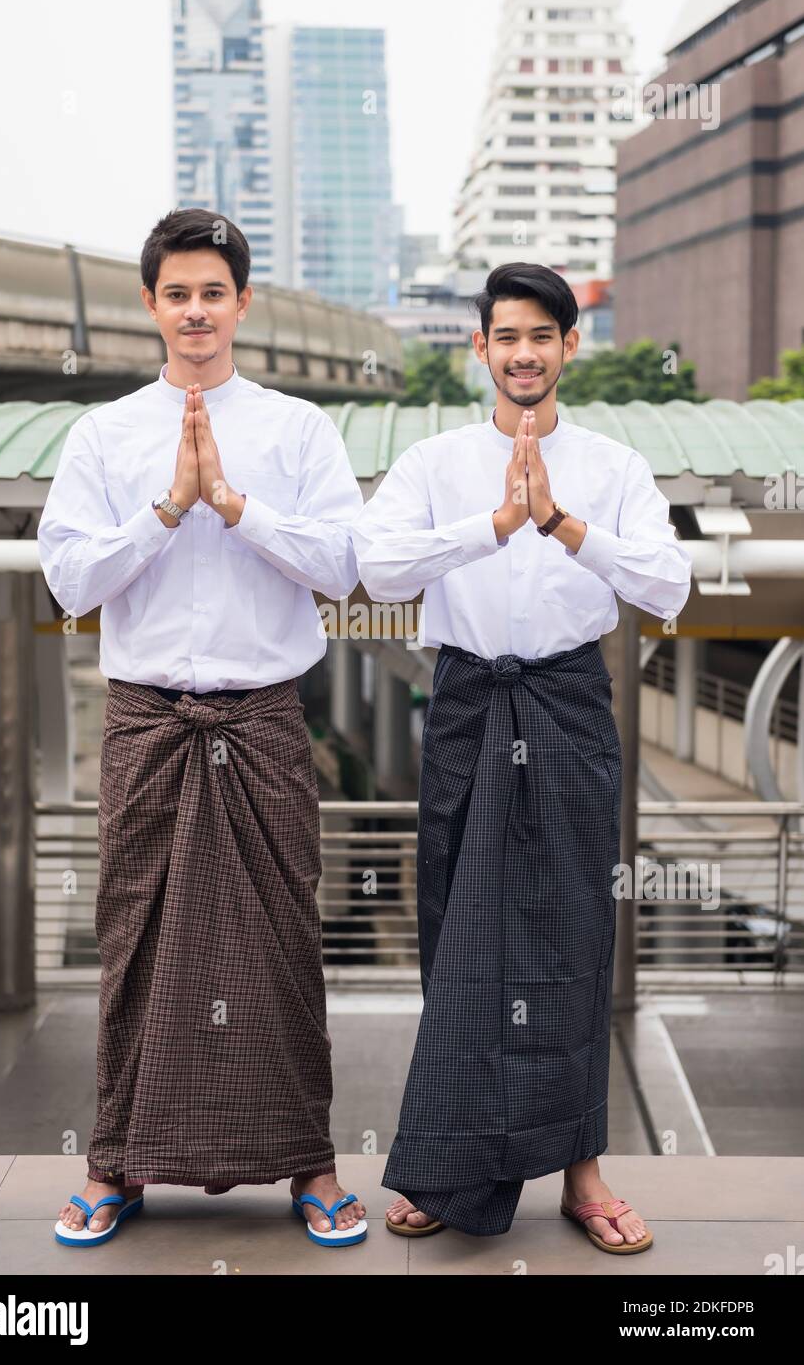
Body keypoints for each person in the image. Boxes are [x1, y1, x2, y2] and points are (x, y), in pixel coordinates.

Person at [38, 208, 368, 1248]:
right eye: (176, 292)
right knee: (133, 939)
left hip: (264, 720)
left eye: (212, 292)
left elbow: (342, 566)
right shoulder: (104, 433)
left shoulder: (297, 428)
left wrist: (233, 502)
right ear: (151, 305)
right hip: (149, 722)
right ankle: (116, 1161)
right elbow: (68, 577)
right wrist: (168, 508)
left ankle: (309, 1162)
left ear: (243, 303)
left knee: (279, 944)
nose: (195, 311)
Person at [350, 262, 692, 1247]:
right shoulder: (434, 463)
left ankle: (582, 1173)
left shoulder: (615, 468)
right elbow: (375, 567)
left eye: (543, 335)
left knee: (574, 936)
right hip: (467, 700)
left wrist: (562, 525)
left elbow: (667, 588)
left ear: (569, 347)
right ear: (481, 349)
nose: (525, 353)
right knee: (456, 926)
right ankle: (455, 1168)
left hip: (569, 701)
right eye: (507, 336)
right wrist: (494, 523)